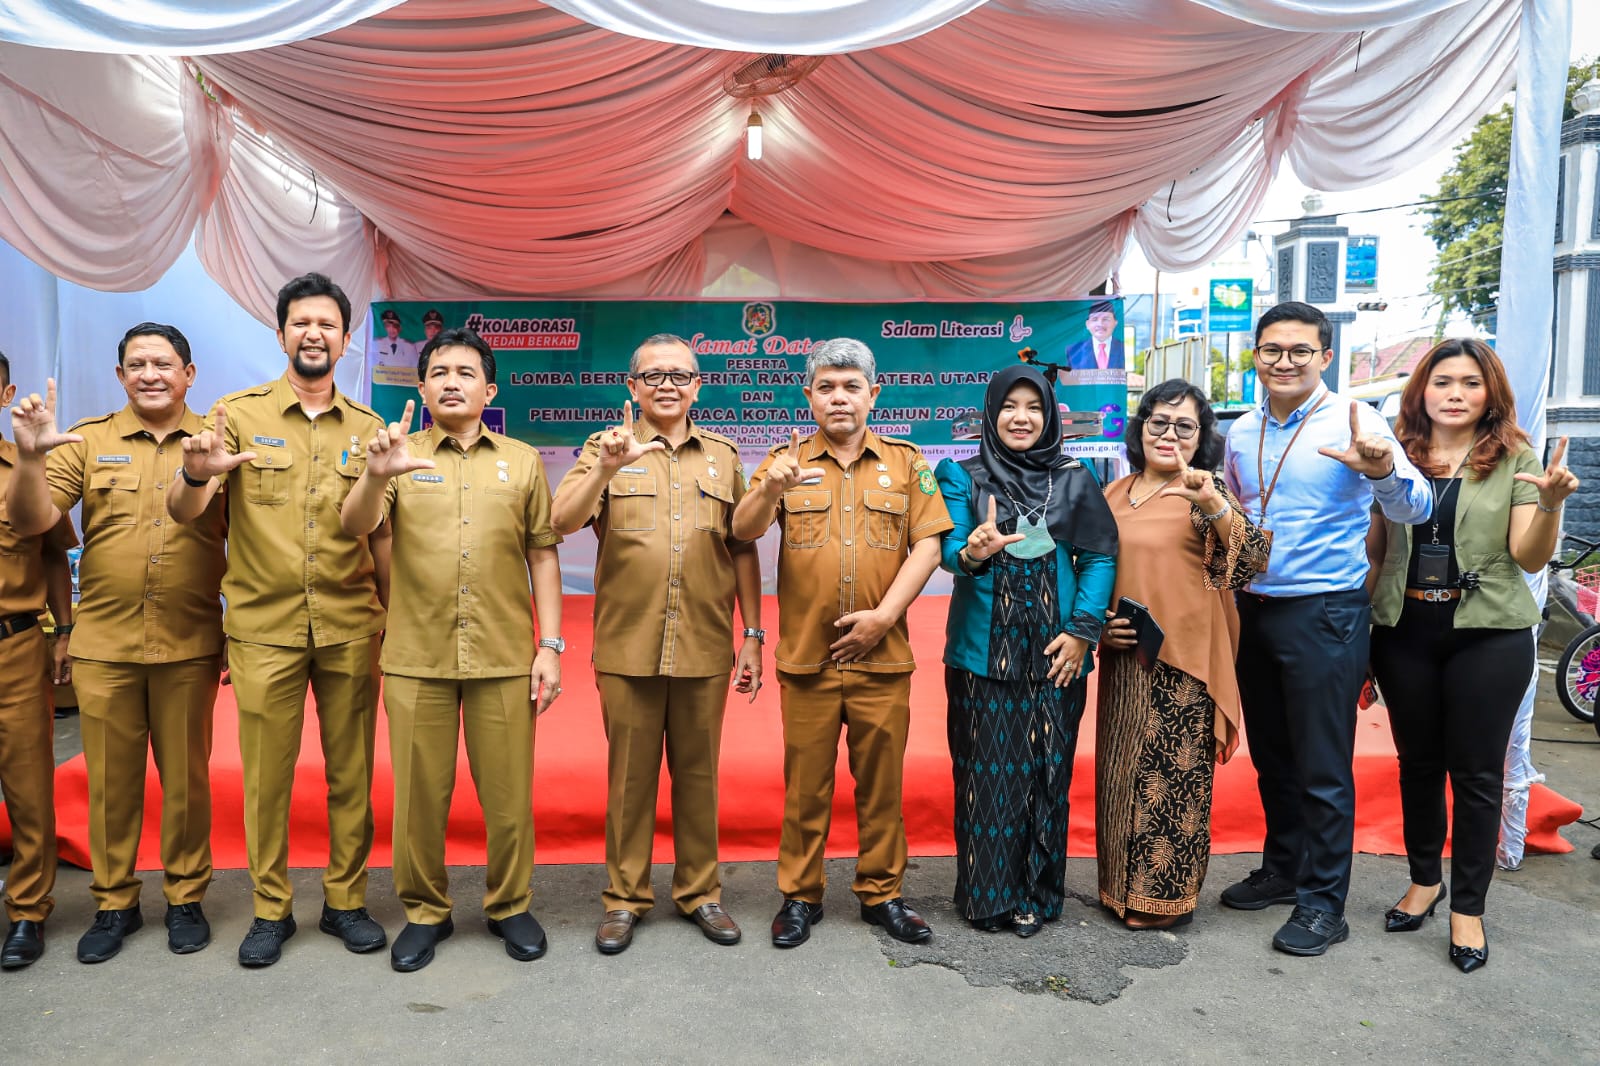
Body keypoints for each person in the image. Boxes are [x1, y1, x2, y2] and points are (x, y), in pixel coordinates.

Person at [166, 272, 390, 968]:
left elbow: (380, 536)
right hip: (264, 628)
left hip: (351, 625)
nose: (314, 334)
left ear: (346, 339)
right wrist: (198, 474)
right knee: (267, 774)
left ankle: (346, 902)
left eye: (327, 324)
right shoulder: (236, 415)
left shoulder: (371, 428)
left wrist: (397, 619)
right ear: (282, 333)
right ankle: (271, 908)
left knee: (350, 771)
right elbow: (185, 512)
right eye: (301, 323)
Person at [341, 327, 563, 972]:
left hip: (502, 655)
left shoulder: (520, 461)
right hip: (416, 654)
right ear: (421, 386)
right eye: (438, 372)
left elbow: (542, 554)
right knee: (417, 795)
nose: (451, 382)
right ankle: (424, 911)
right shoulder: (394, 453)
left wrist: (548, 645)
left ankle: (510, 905)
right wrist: (373, 474)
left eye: (466, 373)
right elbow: (356, 526)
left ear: (489, 389)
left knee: (507, 792)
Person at [6, 324, 227, 964]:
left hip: (190, 641)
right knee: (110, 782)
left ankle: (185, 897)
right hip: (105, 645)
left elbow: (251, 540)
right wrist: (26, 458)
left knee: (186, 780)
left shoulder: (215, 440)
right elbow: (30, 521)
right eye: (137, 364)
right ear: (119, 376)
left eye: (164, 363)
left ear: (189, 373)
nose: (150, 374)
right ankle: (115, 902)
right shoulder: (86, 439)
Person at [1220, 301, 1431, 957]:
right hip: (1255, 607)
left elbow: (1416, 504)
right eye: (1271, 349)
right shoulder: (1240, 428)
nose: (1284, 361)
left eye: (1299, 351)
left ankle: (1322, 905)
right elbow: (1236, 513)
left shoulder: (1357, 420)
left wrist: (1381, 471)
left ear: (1325, 356)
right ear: (1255, 354)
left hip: (1326, 613)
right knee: (1273, 756)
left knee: (1321, 767)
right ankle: (1283, 870)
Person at [731, 338, 953, 948]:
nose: (839, 397)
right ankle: (800, 895)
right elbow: (741, 531)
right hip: (808, 657)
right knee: (806, 785)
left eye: (851, 386)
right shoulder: (782, 460)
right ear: (809, 395)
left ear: (872, 395)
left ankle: (882, 892)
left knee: (882, 784)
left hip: (883, 657)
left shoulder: (908, 464)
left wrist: (884, 616)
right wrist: (770, 488)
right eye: (826, 386)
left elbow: (930, 544)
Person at [1366, 339, 1576, 973]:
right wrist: (1361, 631)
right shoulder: (1394, 453)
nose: (1455, 393)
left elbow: (1529, 556)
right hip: (1404, 627)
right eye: (1442, 381)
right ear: (1420, 391)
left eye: (1470, 383)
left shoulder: (1515, 456)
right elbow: (1376, 550)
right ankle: (1425, 881)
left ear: (1491, 394)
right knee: (1418, 765)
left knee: (1478, 776)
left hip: (1490, 632)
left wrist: (1550, 502)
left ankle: (1469, 909)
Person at [550, 334, 763, 955]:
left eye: (680, 375)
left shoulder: (724, 458)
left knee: (700, 776)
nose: (667, 385)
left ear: (698, 386)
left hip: (703, 641)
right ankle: (623, 899)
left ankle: (702, 893)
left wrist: (751, 634)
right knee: (629, 779)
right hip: (628, 643)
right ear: (633, 386)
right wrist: (609, 468)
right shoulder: (605, 446)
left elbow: (743, 543)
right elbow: (561, 521)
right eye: (653, 376)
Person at [935, 365, 1116, 936]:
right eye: (1009, 407)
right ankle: (988, 897)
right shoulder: (961, 473)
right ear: (991, 415)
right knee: (986, 774)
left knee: (1046, 771)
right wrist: (975, 550)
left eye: (1033, 407)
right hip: (982, 655)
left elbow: (1099, 555)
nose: (1021, 417)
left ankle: (1036, 895)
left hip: (1057, 652)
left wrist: (1084, 629)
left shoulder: (1074, 477)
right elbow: (950, 554)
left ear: (1049, 416)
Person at [1096, 379, 1269, 930]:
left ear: (1201, 438)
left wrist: (1215, 504)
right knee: (1121, 776)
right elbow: (1091, 571)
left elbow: (1249, 562)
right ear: (1141, 427)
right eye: (1159, 422)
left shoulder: (1204, 490)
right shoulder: (1114, 494)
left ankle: (1163, 900)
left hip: (1185, 662)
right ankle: (1117, 890)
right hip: (1126, 654)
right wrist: (1099, 626)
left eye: (1184, 426)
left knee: (1171, 785)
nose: (1169, 434)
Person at [0, 350, 77, 971]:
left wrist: (64, 631)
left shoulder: (27, 467)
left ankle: (27, 911)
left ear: (7, 394)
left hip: (15, 645)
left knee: (28, 786)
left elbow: (54, 555)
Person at [1065, 301, 1124, 372]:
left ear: (1115, 323)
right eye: (1094, 319)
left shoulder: (1124, 349)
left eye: (1106, 319)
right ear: (1087, 324)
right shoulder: (1074, 351)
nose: (1100, 324)